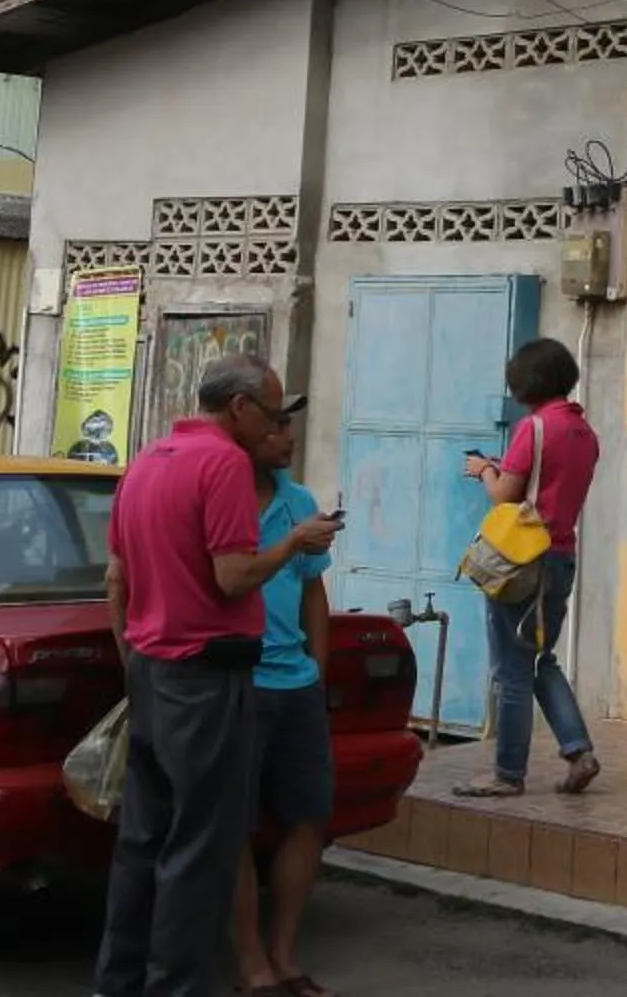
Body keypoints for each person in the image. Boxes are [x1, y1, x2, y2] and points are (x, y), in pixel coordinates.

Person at [99, 356, 338, 997]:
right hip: (206, 676)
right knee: (200, 849)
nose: (273, 426)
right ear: (239, 408)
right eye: (269, 411)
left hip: (152, 670)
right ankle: (174, 985)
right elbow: (232, 577)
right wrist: (290, 546)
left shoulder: (147, 460)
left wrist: (135, 662)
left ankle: (117, 980)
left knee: (142, 842)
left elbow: (115, 578)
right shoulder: (224, 463)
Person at [454, 337, 603, 798]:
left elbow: (505, 496)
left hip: (521, 562)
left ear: (527, 382)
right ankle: (579, 752)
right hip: (561, 558)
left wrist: (483, 470)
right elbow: (549, 486)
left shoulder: (534, 428)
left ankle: (507, 774)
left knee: (511, 670)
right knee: (538, 659)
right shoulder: (584, 433)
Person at [232, 392, 335, 997]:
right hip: (236, 687)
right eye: (276, 426)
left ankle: (283, 954)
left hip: (294, 687)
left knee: (308, 820)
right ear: (243, 426)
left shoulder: (299, 503)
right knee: (234, 827)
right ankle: (251, 965)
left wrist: (316, 673)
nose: (289, 438)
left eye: (290, 426)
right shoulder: (219, 501)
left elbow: (313, 595)